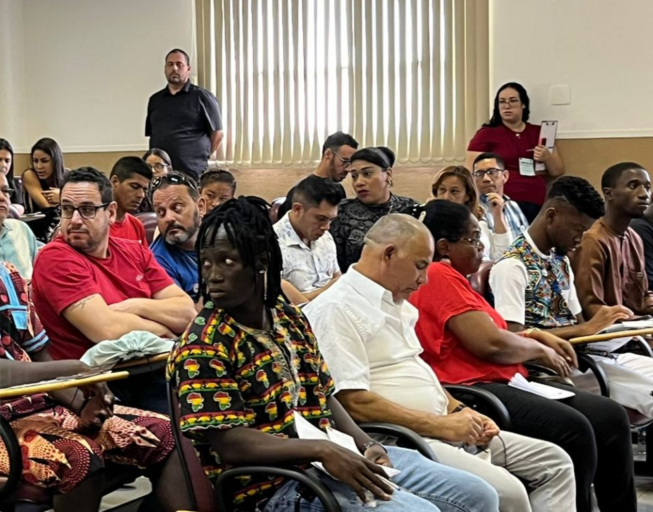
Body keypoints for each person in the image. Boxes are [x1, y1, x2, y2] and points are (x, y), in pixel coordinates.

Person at [170, 198, 499, 512]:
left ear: (261, 261)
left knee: (479, 496)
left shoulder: (289, 318)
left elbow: (324, 395)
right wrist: (322, 449)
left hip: (332, 454)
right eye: (207, 262)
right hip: (276, 484)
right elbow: (229, 443)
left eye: (227, 261)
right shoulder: (204, 343)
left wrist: (366, 444)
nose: (212, 275)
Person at [0, 177, 191, 512]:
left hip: (42, 412)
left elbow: (39, 356)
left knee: (168, 434)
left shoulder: (5, 275)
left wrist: (81, 401)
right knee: (79, 457)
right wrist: (78, 370)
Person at [307, 209, 575, 511]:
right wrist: (441, 425)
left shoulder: (396, 299)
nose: (423, 280)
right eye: (420, 267)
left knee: (556, 461)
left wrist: (458, 409)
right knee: (507, 492)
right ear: (389, 253)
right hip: (402, 438)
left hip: (441, 425)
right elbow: (352, 401)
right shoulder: (336, 308)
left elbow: (419, 372)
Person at [402, 201, 636, 512]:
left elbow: (496, 333)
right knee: (575, 428)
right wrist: (539, 347)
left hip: (505, 378)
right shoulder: (438, 274)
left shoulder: (459, 279)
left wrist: (533, 335)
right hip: (476, 389)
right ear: (444, 247)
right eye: (473, 239)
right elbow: (491, 344)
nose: (482, 245)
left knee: (610, 416)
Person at [31, 167, 194, 413]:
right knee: (193, 428)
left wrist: (136, 306)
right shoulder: (55, 257)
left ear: (110, 212)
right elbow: (107, 330)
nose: (74, 220)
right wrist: (163, 329)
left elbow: (187, 314)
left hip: (156, 369)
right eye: (66, 209)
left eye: (86, 210)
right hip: (102, 386)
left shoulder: (135, 251)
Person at [489, 177, 653, 417]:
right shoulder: (512, 266)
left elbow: (577, 325)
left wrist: (604, 325)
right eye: (578, 229)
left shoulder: (560, 260)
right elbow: (514, 338)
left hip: (587, 357)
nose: (581, 238)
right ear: (552, 216)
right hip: (549, 369)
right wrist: (588, 328)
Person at [467, 83, 564, 222]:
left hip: (537, 200)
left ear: (523, 104)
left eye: (513, 101)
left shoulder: (540, 133)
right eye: (502, 102)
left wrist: (547, 157)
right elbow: (470, 172)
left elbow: (557, 171)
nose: (507, 106)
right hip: (504, 202)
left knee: (533, 242)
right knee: (516, 242)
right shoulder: (487, 134)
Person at [572, 162, 653, 317]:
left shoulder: (634, 237)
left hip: (635, 328)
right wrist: (636, 320)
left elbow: (643, 298)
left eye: (647, 187)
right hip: (609, 334)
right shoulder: (593, 240)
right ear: (608, 194)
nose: (644, 194)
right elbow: (591, 308)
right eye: (633, 186)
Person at [332, 147, 416, 271]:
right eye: (354, 176)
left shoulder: (410, 209)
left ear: (388, 174)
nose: (359, 182)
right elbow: (333, 265)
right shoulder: (341, 212)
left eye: (367, 173)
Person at [145, 49, 223, 179]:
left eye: (179, 64)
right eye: (170, 64)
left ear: (188, 68)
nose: (174, 68)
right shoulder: (155, 100)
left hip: (192, 170)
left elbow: (218, 134)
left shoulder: (202, 97)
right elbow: (154, 134)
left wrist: (198, 158)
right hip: (160, 172)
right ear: (165, 68)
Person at [274, 174, 344, 302]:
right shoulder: (272, 244)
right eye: (321, 219)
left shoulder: (325, 237)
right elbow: (286, 306)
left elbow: (337, 278)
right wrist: (333, 287)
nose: (326, 227)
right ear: (298, 209)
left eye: (331, 220)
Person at [431, 166, 511, 261]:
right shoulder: (429, 223)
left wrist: (497, 214)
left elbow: (501, 256)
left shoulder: (479, 225)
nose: (446, 197)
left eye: (454, 191)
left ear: (468, 196)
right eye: (442, 190)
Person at [150, 172, 202, 301]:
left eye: (177, 207)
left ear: (200, 207)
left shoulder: (222, 239)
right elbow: (185, 314)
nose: (168, 218)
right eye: (160, 212)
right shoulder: (155, 260)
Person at [280, 132, 359, 215]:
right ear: (328, 154)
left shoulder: (338, 189)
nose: (348, 169)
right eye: (344, 161)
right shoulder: (301, 191)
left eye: (351, 163)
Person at [472, 153, 529, 243]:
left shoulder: (513, 206)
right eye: (479, 174)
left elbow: (526, 242)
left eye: (492, 172)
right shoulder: (474, 209)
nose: (486, 178)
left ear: (505, 176)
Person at [108, 157, 152, 246]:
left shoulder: (136, 226)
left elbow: (145, 259)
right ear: (114, 182)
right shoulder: (96, 224)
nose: (141, 195)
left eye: (144, 190)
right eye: (135, 186)